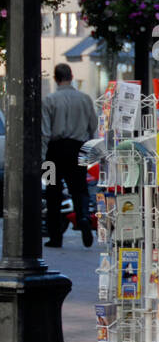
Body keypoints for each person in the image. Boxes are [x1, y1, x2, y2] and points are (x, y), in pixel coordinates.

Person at [41, 63, 98, 247]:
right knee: (79, 188)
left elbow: (44, 131)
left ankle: (55, 235)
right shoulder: (85, 99)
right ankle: (83, 218)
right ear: (71, 77)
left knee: (52, 191)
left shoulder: (49, 100)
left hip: (54, 150)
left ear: (56, 79)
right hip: (78, 148)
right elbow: (93, 126)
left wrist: (43, 156)